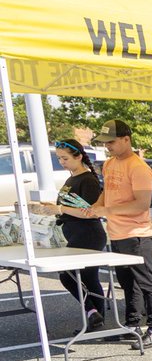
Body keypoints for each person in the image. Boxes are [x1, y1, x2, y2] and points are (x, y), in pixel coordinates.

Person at [89, 120, 152, 348]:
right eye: (104, 143)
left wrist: (106, 210)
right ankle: (132, 325)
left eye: (111, 142)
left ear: (126, 139)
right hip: (117, 232)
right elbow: (107, 192)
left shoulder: (139, 168)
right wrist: (95, 207)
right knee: (127, 282)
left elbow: (141, 204)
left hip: (137, 233)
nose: (107, 147)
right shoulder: (109, 164)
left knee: (146, 281)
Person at [33, 139, 106, 331]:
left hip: (88, 232)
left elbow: (89, 211)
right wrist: (54, 208)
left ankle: (95, 315)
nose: (62, 162)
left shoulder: (88, 179)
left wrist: (59, 208)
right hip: (74, 232)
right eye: (59, 158)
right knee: (79, 276)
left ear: (78, 156)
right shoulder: (72, 178)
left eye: (65, 158)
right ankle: (94, 316)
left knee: (77, 276)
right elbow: (70, 207)